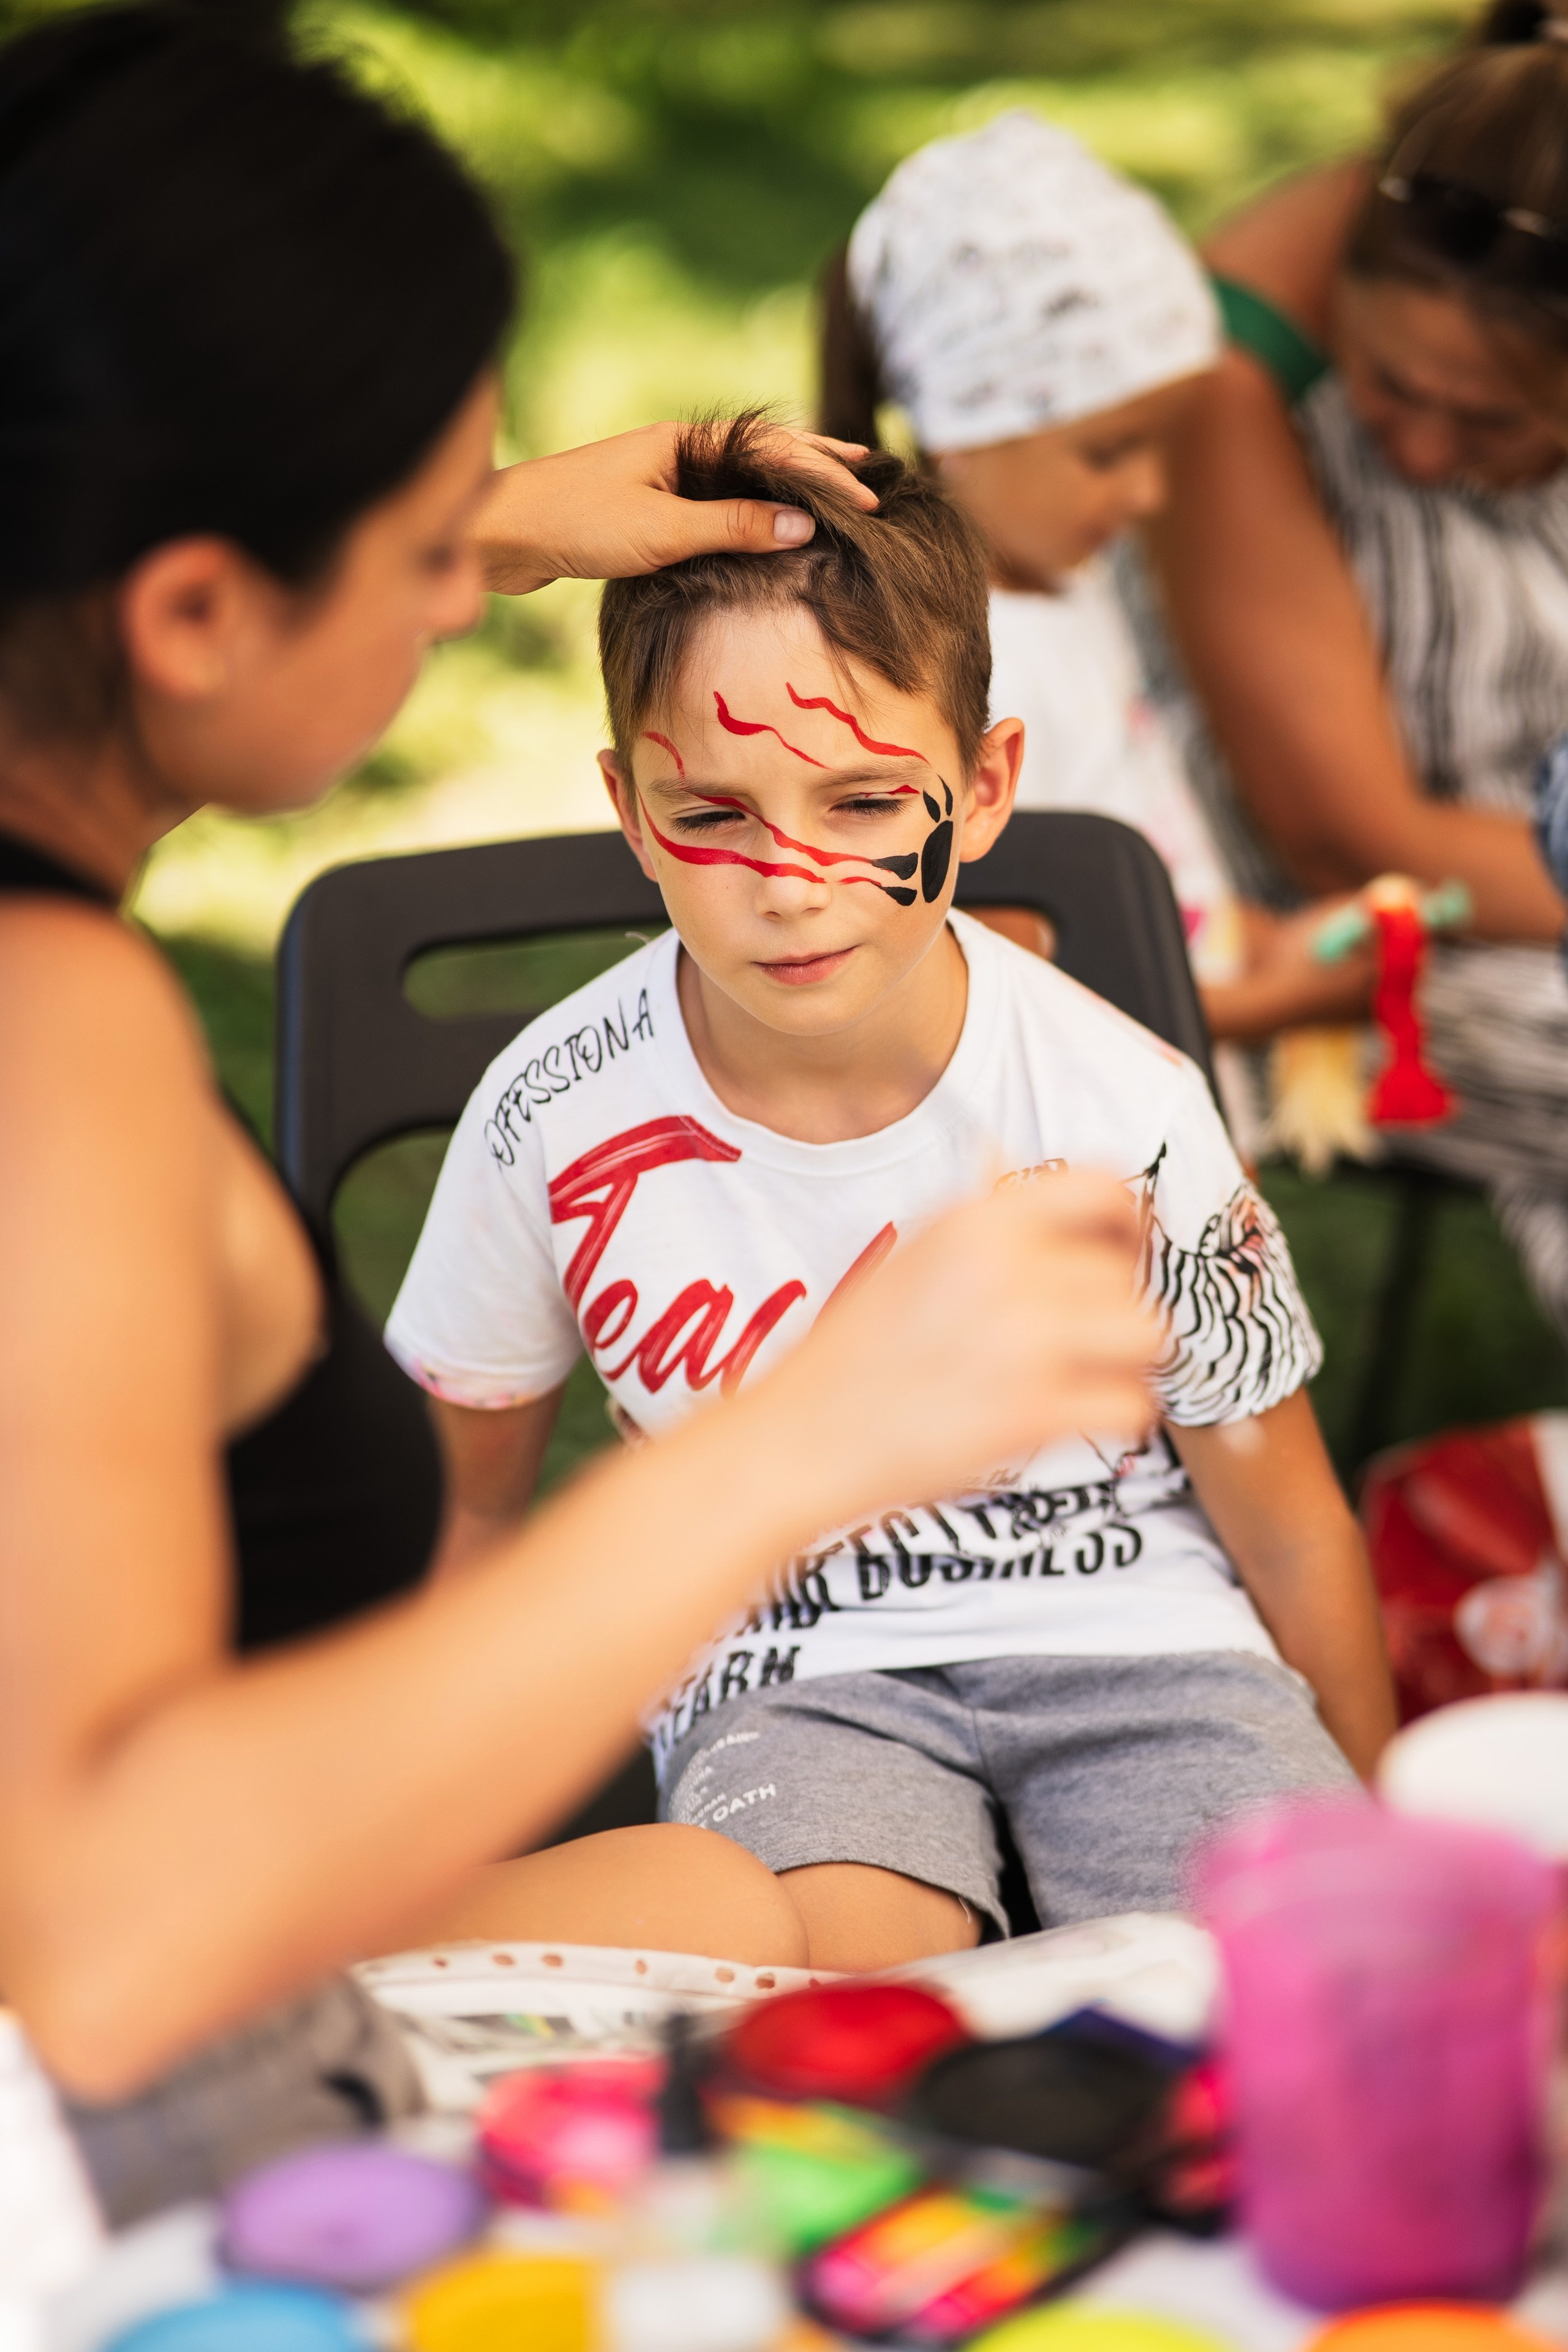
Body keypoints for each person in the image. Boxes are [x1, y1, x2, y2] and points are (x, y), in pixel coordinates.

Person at [0, 1, 1164, 2223]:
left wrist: (517, 519)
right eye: (435, 533)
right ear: (190, 606)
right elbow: (117, 1941)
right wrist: (805, 1439)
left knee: (730, 1914)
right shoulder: (45, 1058)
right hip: (104, 2087)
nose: (478, 584)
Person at [386, 414, 1396, 1981]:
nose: (789, 882)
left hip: (1142, 1647)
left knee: (1288, 1985)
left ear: (981, 787)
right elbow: (467, 1511)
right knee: (841, 2010)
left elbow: (1291, 1525)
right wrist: (402, 1856)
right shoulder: (547, 1115)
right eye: (713, 814)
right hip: (787, 1672)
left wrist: (1383, 1842)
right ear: (625, 802)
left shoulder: (1122, 1106)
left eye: (863, 804)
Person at [818, 110, 1378, 1133]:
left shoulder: (1073, 587)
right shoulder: (955, 661)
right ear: (970, 426)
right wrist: (1276, 1005)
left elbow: (1145, 847)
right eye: (1111, 452)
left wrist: (1256, 939)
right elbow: (1012, 972)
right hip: (1077, 1154)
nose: (1150, 494)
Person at [1150, 0, 1568, 1328]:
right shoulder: (1237, 400)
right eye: (1389, 386)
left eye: (1490, 418)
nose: (1425, 451)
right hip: (1366, 935)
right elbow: (1350, 839)